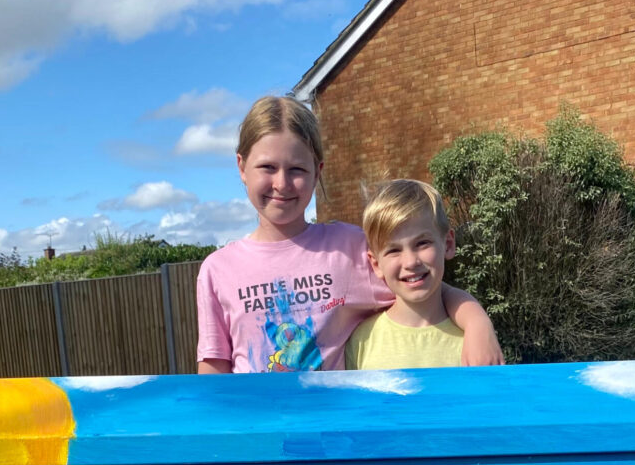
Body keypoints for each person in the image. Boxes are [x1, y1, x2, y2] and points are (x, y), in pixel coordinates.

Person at [196, 96, 502, 374]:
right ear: (241, 167)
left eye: (297, 170)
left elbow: (428, 284)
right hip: (259, 433)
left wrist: (477, 323)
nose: (282, 183)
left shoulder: (349, 247)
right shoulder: (217, 270)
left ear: (318, 171)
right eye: (267, 167)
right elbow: (213, 368)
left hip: (333, 432)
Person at [345, 179, 477, 370]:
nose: (410, 262)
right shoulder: (360, 342)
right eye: (393, 250)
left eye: (422, 243)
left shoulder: (474, 340)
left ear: (448, 244)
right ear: (376, 264)